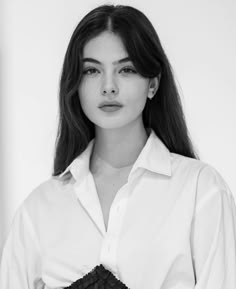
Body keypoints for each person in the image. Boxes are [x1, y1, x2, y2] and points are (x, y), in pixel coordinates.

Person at [0, 4, 236, 289]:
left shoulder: (202, 191)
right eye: (91, 71)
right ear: (74, 84)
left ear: (153, 84)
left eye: (126, 69)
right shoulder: (38, 210)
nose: (108, 87)